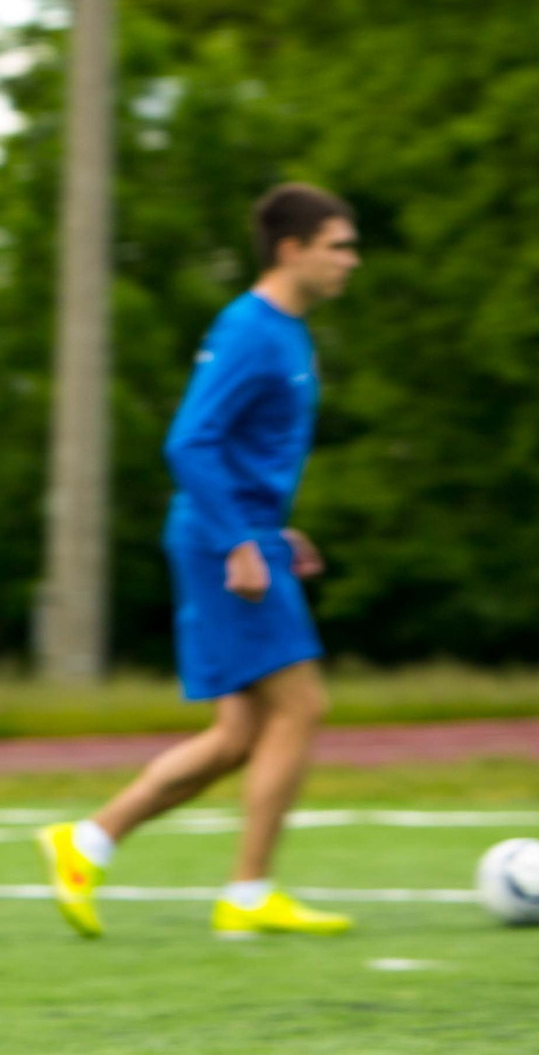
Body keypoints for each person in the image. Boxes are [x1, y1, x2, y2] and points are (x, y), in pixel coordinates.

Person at [39, 184, 361, 941]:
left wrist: (277, 536)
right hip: (223, 546)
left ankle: (85, 844)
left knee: (240, 736)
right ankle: (247, 893)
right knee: (303, 707)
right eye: (338, 245)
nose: (351, 261)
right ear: (292, 248)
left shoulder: (289, 333)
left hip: (246, 537)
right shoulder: (250, 328)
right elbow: (188, 440)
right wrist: (240, 543)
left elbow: (247, 456)